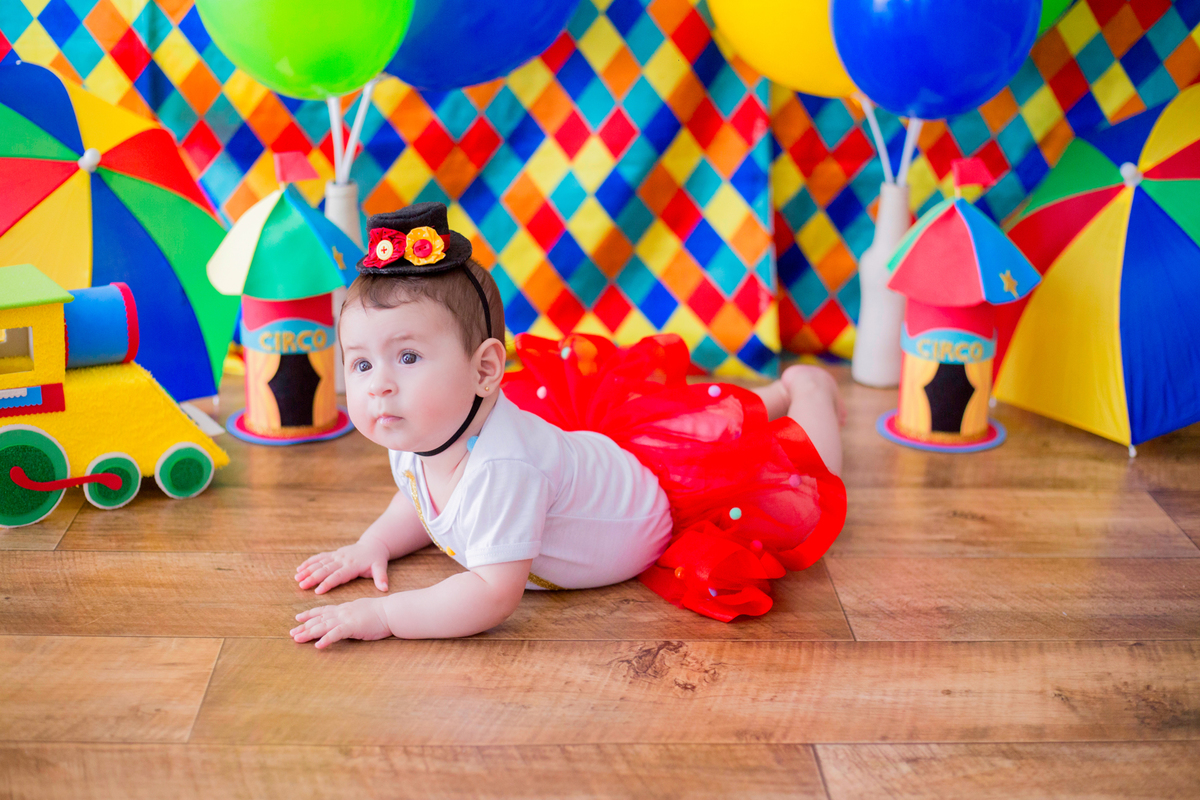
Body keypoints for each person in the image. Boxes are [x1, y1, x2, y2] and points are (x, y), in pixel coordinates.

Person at [291, 203, 846, 648]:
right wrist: (376, 542)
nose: (377, 385)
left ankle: (809, 392)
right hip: (594, 452)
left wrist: (384, 614)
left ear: (485, 369)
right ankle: (770, 394)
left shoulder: (502, 470)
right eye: (361, 364)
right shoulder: (414, 429)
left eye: (408, 357)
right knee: (698, 424)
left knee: (782, 470)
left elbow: (490, 594)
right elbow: (416, 497)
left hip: (653, 506)